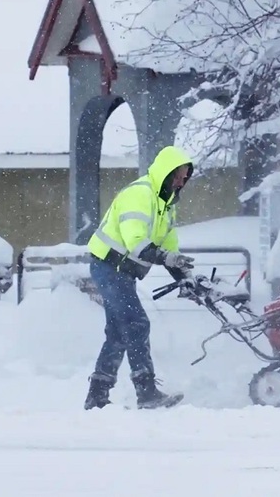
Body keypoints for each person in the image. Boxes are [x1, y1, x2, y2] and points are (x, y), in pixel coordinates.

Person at [83, 145, 198, 410]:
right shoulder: (140, 194)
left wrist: (185, 276)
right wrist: (165, 258)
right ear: (167, 173)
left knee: (118, 332)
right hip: (108, 266)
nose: (182, 182)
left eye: (185, 178)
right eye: (179, 176)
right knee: (136, 324)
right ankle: (146, 392)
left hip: (122, 271)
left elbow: (169, 246)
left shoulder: (165, 204)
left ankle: (97, 395)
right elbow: (135, 241)